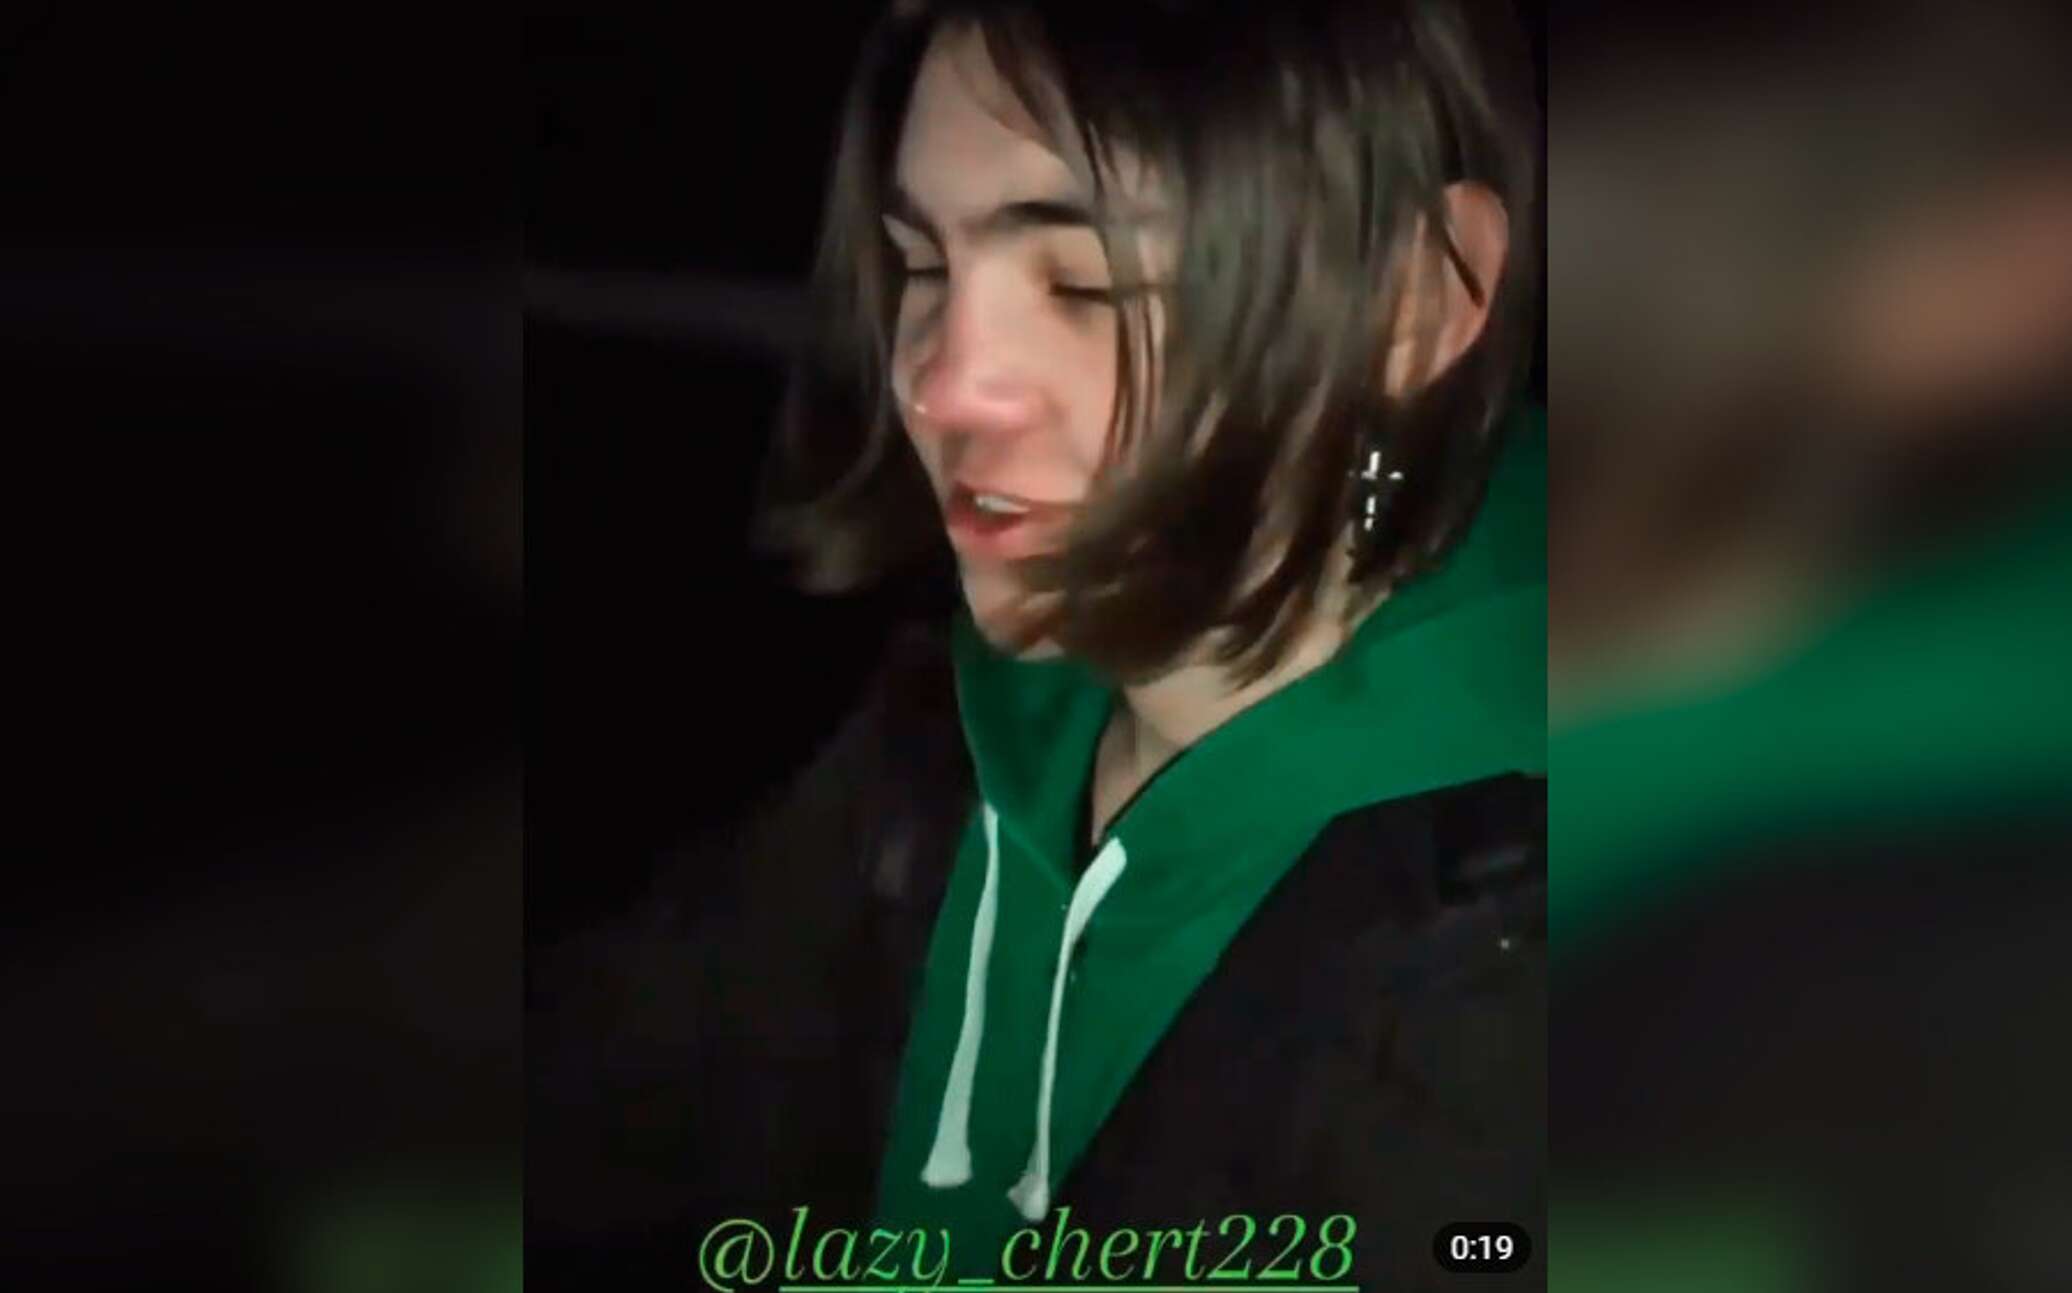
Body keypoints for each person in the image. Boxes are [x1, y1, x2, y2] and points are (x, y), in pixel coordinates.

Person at [533, 2, 1545, 1289]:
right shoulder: (950, 749)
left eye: (1084, 284)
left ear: (1408, 303)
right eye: (921, 267)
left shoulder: (1544, 966)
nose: (940, 385)